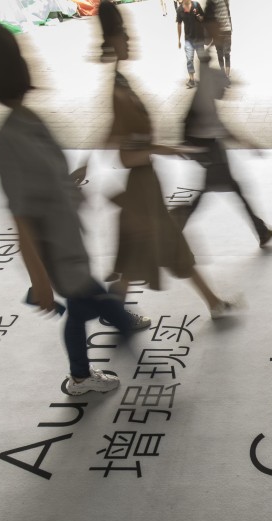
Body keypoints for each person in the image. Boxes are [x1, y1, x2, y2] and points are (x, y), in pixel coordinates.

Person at [0, 24, 134, 396]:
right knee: (109, 312)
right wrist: (41, 281)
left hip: (69, 242)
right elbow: (22, 219)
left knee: (82, 311)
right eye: (22, 56)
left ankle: (80, 376)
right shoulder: (9, 139)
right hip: (58, 254)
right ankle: (93, 366)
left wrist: (71, 181)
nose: (33, 62)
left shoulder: (28, 121)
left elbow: (47, 183)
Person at [99, 8, 238, 319]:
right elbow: (125, 154)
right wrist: (167, 148)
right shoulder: (118, 90)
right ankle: (213, 303)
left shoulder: (121, 83)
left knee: (150, 250)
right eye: (124, 36)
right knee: (162, 248)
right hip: (140, 187)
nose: (130, 40)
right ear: (113, 40)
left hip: (146, 184)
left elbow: (114, 134)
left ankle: (213, 303)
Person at [180, 64, 272, 248]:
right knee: (227, 190)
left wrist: (249, 144)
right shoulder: (205, 101)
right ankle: (173, 230)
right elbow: (224, 131)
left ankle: (261, 231)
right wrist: (250, 144)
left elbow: (222, 130)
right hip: (209, 151)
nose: (226, 92)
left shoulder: (207, 100)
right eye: (223, 87)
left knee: (221, 191)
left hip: (211, 149)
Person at [176, 0, 206, 88]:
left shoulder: (196, 5)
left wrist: (199, 16)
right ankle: (192, 79)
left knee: (202, 59)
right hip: (188, 39)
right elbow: (179, 24)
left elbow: (203, 18)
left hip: (199, 38)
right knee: (189, 59)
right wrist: (178, 40)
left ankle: (204, 79)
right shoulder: (179, 10)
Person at [203, 0, 232, 84]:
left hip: (227, 31)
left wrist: (230, 28)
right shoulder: (210, 3)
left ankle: (226, 76)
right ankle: (223, 76)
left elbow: (228, 14)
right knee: (220, 55)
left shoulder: (225, 1)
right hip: (218, 33)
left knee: (226, 54)